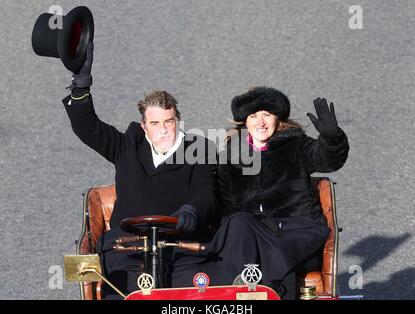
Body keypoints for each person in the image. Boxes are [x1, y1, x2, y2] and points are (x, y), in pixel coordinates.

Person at [62, 43, 217, 299]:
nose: (163, 129)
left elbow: (206, 194)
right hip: (127, 248)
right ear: (144, 127)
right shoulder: (127, 146)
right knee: (119, 288)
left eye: (169, 121)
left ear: (177, 121)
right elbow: (87, 127)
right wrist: (81, 85)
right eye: (155, 123)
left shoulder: (199, 149)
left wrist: (192, 211)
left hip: (180, 247)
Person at [201, 86, 350, 299]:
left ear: (277, 119)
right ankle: (241, 295)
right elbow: (225, 209)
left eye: (266, 115)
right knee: (238, 223)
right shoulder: (232, 160)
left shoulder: (295, 145)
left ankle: (251, 289)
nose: (260, 122)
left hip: (297, 233)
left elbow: (327, 159)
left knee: (265, 247)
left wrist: (332, 139)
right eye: (253, 116)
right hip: (255, 236)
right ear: (245, 122)